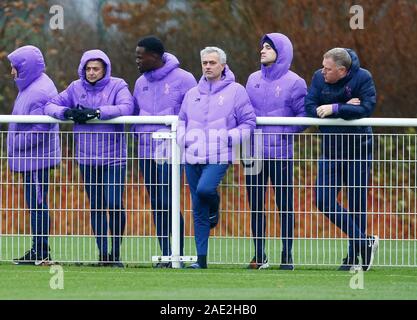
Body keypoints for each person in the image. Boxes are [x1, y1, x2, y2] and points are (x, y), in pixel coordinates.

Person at [45, 49, 134, 267]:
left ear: (105, 69)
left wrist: (96, 113)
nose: (92, 72)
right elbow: (50, 105)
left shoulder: (118, 85)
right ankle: (103, 254)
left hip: (114, 158)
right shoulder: (75, 87)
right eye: (88, 68)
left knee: (113, 203)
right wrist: (68, 113)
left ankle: (116, 252)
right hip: (86, 158)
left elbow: (127, 107)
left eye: (96, 68)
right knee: (96, 205)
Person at [178, 47, 256, 269]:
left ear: (223, 65)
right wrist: (183, 138)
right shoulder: (192, 94)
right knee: (197, 205)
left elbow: (248, 123)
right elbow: (181, 119)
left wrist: (227, 138)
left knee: (205, 190)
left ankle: (215, 204)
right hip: (191, 155)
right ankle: (201, 260)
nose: (208, 67)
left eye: (212, 62)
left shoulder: (236, 91)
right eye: (204, 63)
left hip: (219, 154)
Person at [305, 47, 379, 271]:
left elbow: (366, 108)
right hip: (331, 151)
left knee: (357, 204)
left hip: (359, 150)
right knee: (322, 200)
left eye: (328, 69)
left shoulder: (363, 77)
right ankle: (364, 242)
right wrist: (346, 107)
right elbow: (310, 108)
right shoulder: (319, 77)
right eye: (323, 67)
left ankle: (352, 259)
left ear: (342, 70)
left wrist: (334, 108)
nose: (322, 72)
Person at [133, 36, 197, 268]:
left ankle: (176, 254)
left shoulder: (185, 79)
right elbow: (134, 112)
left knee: (169, 201)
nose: (137, 60)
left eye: (141, 56)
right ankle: (165, 252)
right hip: (145, 152)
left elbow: (195, 113)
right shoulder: (140, 82)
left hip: (171, 152)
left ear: (156, 57)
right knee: (156, 202)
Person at [245, 33, 307, 270]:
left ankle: (287, 256)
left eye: (268, 48)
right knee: (256, 205)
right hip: (253, 152)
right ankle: (259, 255)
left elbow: (304, 116)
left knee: (284, 204)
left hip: (281, 153)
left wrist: (283, 131)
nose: (262, 51)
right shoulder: (251, 79)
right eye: (262, 47)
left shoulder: (295, 82)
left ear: (281, 52)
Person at [7, 45, 61, 265]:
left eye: (14, 67)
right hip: (31, 159)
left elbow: (40, 129)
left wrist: (15, 143)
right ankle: (39, 249)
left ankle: (41, 251)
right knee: (35, 205)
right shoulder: (31, 85)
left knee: (38, 204)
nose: (11, 72)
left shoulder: (38, 90)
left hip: (36, 160)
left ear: (25, 67)